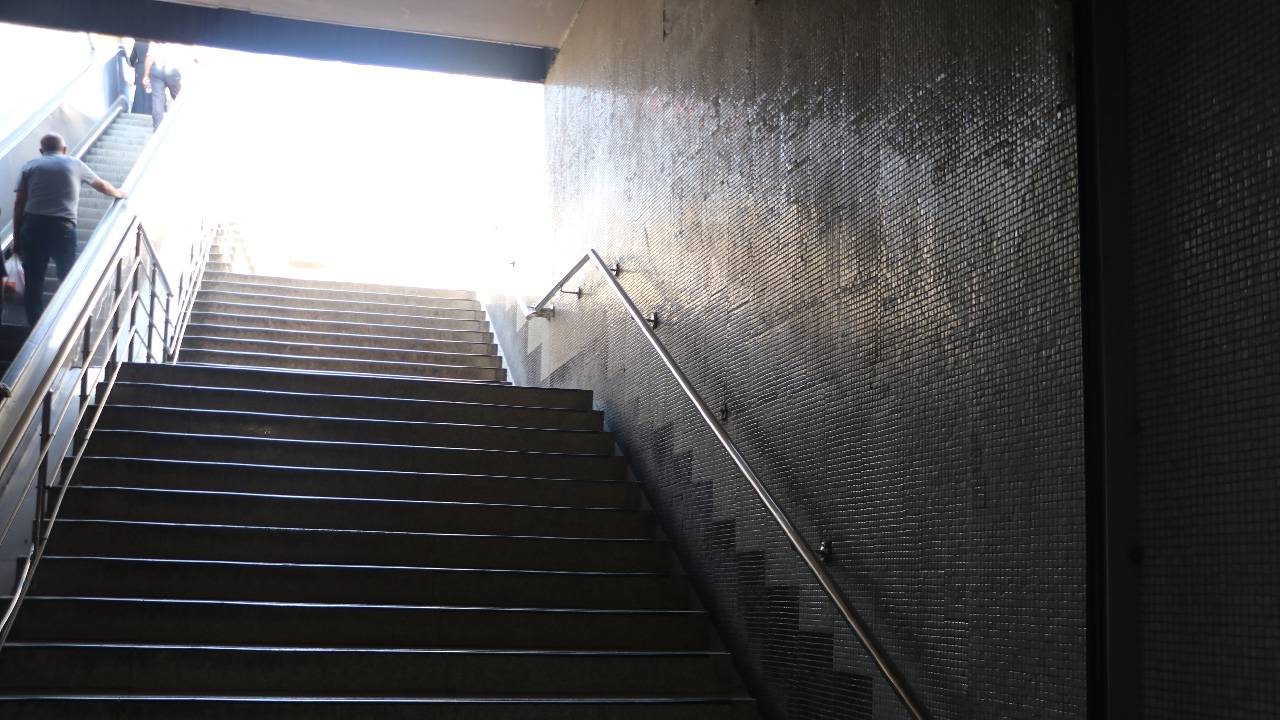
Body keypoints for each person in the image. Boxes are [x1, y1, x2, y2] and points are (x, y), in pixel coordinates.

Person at [11, 133, 126, 326]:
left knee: (34, 280)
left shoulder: (29, 166)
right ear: (65, 149)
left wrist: (16, 238)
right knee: (67, 276)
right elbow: (102, 186)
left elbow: (19, 203)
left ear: (41, 151)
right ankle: (67, 323)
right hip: (62, 227)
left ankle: (35, 327)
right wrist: (120, 193)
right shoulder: (75, 164)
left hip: (32, 226)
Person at [142, 42, 181, 129]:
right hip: (172, 70)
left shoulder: (155, 39)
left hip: (157, 69)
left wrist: (146, 75)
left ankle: (157, 130)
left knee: (157, 101)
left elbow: (150, 57)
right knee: (179, 98)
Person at [128, 39, 152, 116]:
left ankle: (138, 112)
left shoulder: (137, 43)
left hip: (140, 69)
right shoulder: (154, 43)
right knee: (150, 91)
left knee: (140, 91)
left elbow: (131, 59)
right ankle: (149, 112)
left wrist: (135, 65)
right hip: (151, 69)